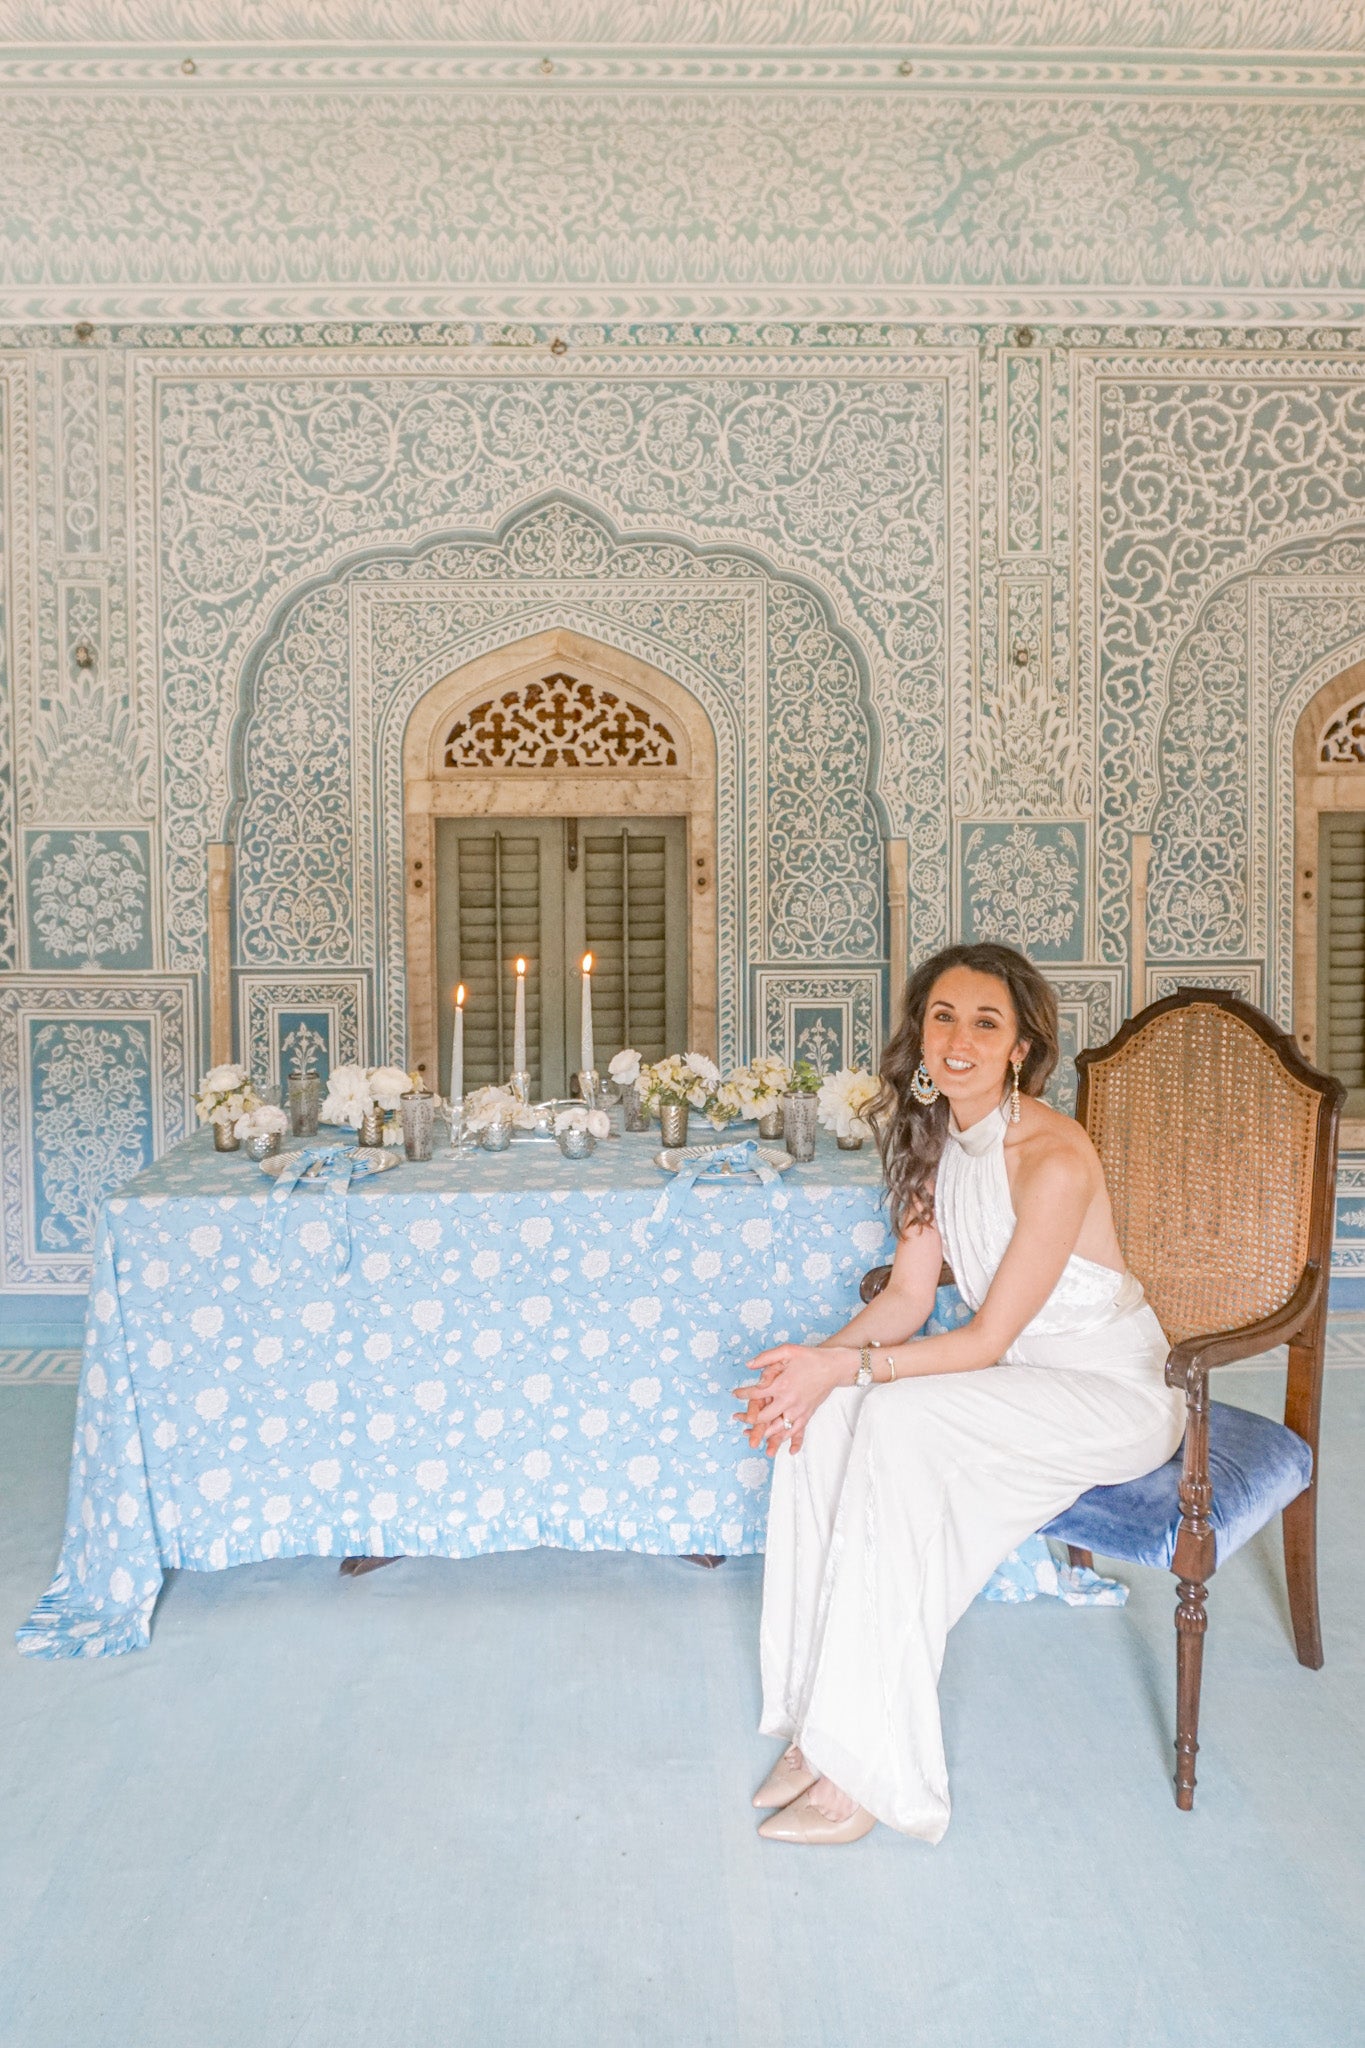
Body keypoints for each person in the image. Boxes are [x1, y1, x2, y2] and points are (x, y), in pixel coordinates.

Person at [735, 942, 1185, 1846]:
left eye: (986, 1022)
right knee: (825, 1425)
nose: (959, 1039)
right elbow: (907, 1299)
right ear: (919, 1031)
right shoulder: (930, 1136)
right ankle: (815, 1724)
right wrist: (809, 1372)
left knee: (891, 1425)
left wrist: (840, 1368)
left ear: (1020, 1047)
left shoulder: (1052, 1158)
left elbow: (982, 1340)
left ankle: (868, 1775)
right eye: (943, 1016)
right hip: (1021, 1387)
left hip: (1112, 1395)